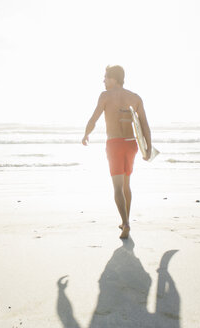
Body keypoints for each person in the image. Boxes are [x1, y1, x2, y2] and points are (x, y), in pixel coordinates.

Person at [82, 65, 152, 239]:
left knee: (117, 187)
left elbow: (94, 118)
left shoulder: (105, 96)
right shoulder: (135, 98)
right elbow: (144, 125)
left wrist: (86, 134)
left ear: (113, 79)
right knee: (127, 185)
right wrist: (149, 147)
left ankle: (125, 223)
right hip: (131, 145)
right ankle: (125, 221)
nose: (103, 81)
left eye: (105, 77)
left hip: (114, 144)